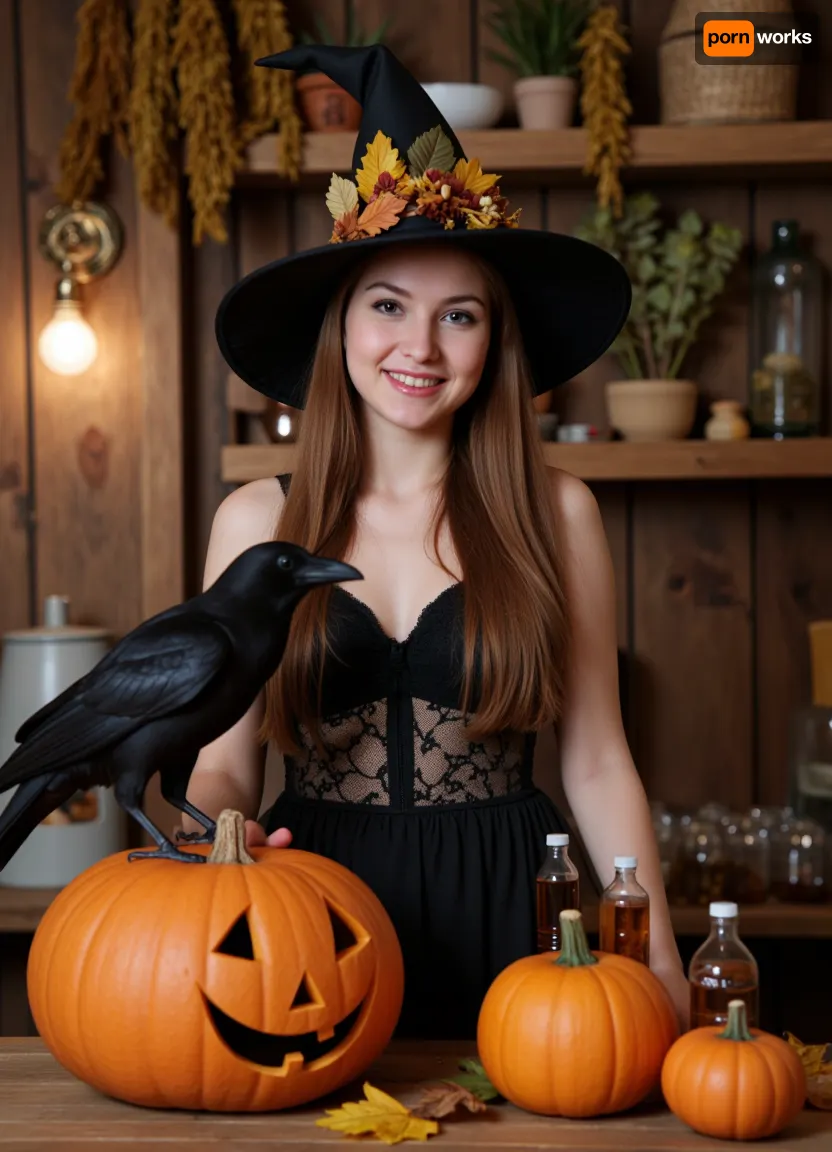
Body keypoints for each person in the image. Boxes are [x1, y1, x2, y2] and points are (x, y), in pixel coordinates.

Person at [183, 43, 690, 1038]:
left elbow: (595, 760)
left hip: (521, 916)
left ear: (494, 344)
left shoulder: (558, 512)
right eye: (387, 306)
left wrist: (657, 952)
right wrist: (219, 834)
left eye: (458, 316)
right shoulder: (258, 521)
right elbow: (223, 760)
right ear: (340, 329)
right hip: (311, 920)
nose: (418, 349)